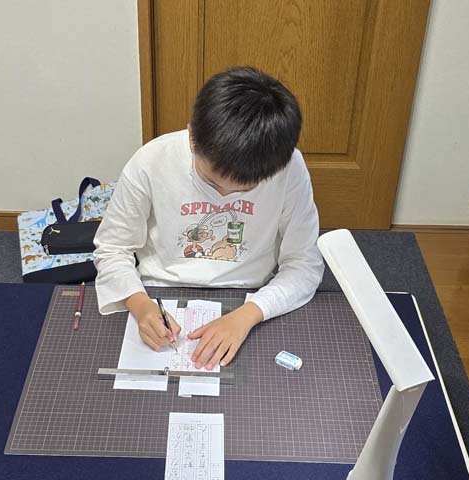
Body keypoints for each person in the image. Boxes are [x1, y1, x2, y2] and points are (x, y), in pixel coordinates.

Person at [94, 66, 323, 370]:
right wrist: (140, 305)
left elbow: (304, 263)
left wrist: (248, 314)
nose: (224, 196)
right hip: (159, 291)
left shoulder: (289, 168)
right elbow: (112, 248)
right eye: (211, 182)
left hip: (251, 295)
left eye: (245, 189)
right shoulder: (151, 161)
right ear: (192, 137)